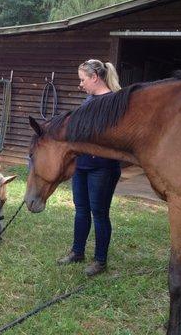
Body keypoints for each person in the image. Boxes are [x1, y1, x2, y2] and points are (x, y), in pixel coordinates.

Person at [57, 59, 122, 276]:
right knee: (81, 210)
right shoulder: (90, 99)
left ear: (95, 77)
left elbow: (114, 135)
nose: (81, 84)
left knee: (100, 213)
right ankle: (77, 252)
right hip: (82, 165)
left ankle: (100, 260)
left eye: (83, 80)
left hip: (102, 167)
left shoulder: (113, 101)